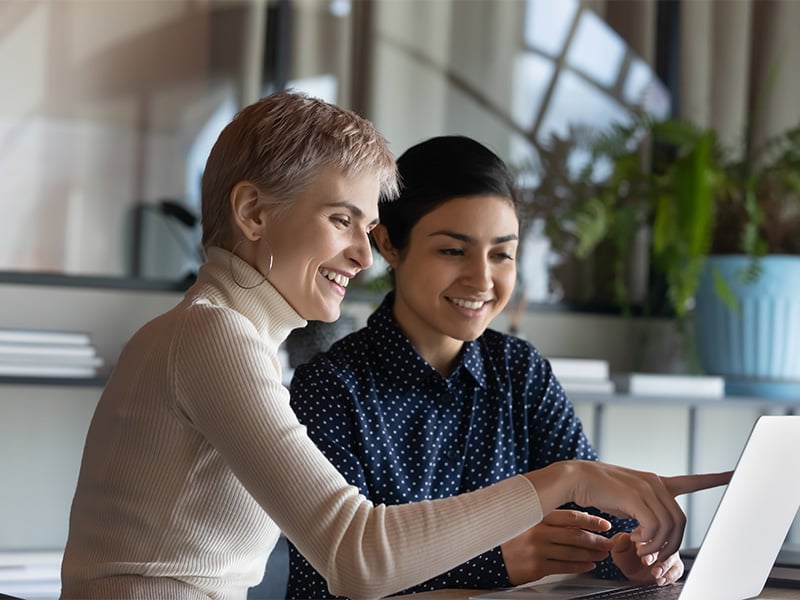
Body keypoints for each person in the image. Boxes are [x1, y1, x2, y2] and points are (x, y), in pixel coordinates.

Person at [60, 92, 728, 600]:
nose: (361, 252)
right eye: (341, 219)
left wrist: (618, 542)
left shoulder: (231, 337)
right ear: (254, 214)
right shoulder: (213, 339)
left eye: (368, 224)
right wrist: (569, 480)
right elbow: (356, 556)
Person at [285, 135, 700, 598]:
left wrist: (628, 553)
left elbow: (594, 504)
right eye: (452, 251)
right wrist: (496, 561)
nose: (482, 280)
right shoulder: (330, 388)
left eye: (502, 254)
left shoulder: (519, 372)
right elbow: (323, 583)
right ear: (388, 245)